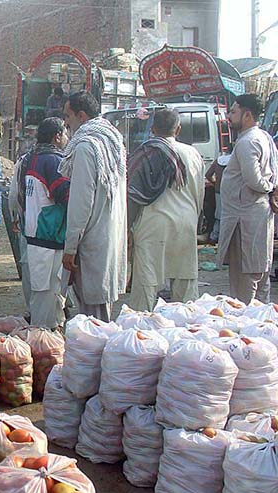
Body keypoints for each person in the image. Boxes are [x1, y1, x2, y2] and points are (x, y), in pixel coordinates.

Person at [127, 109, 205, 311]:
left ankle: (139, 329)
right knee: (185, 281)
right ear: (178, 129)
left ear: (152, 128)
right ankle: (187, 330)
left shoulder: (145, 153)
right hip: (186, 221)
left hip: (153, 223)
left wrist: (127, 228)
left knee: (147, 282)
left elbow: (132, 195)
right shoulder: (193, 154)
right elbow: (200, 193)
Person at [60, 91, 127, 322]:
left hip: (92, 238)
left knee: (93, 319)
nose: (66, 123)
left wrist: (70, 247)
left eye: (68, 117)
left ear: (81, 115)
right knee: (101, 307)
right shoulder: (112, 139)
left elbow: (81, 204)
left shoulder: (86, 146)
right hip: (109, 234)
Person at [217, 94, 278, 304]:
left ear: (247, 115)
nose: (229, 116)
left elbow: (254, 180)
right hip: (255, 214)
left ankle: (246, 327)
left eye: (233, 112)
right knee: (259, 275)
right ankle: (261, 327)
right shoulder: (263, 137)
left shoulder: (248, 141)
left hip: (246, 218)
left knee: (246, 280)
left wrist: (269, 188)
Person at [15, 117, 71, 328]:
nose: (66, 138)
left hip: (34, 233)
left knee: (42, 292)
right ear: (57, 136)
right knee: (47, 293)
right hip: (49, 233)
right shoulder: (54, 161)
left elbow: (19, 197)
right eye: (65, 133)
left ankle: (46, 334)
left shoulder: (29, 158)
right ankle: (41, 341)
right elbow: (65, 195)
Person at [204, 152, 231, 243]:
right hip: (232, 192)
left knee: (219, 215)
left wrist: (215, 183)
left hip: (218, 191)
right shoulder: (236, 160)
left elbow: (208, 175)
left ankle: (214, 236)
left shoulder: (218, 161)